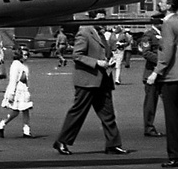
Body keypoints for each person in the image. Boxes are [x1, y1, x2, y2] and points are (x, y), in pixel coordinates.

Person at [53, 10, 127, 156]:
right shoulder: (85, 32)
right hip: (87, 80)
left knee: (108, 114)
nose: (103, 21)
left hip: (103, 80)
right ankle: (62, 141)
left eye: (104, 19)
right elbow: (77, 55)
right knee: (78, 112)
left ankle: (113, 144)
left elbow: (104, 52)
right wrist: (97, 62)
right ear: (92, 18)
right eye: (100, 18)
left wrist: (109, 59)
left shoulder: (100, 33)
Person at [150, 0, 178, 167]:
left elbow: (167, 52)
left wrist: (156, 72)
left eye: (162, 2)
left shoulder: (167, 25)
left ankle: (175, 154)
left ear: (168, 6)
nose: (159, 4)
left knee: (172, 117)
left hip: (170, 75)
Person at [0, 47, 35, 138]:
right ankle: (2, 123)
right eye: (24, 55)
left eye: (27, 55)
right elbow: (13, 80)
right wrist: (11, 93)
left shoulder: (22, 65)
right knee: (16, 111)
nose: (26, 57)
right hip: (18, 91)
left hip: (24, 90)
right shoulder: (15, 64)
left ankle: (26, 131)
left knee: (25, 110)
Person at [139, 19, 163, 136]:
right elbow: (146, 53)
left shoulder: (165, 33)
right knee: (150, 102)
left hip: (165, 73)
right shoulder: (148, 35)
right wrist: (162, 61)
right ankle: (148, 127)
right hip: (152, 72)